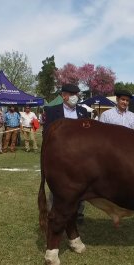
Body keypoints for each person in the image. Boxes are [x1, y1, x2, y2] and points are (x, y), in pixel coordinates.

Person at [44, 83, 89, 223]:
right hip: (60, 157)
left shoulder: (83, 112)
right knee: (57, 186)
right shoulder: (51, 111)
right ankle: (53, 212)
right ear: (64, 96)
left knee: (81, 186)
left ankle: (78, 213)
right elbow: (47, 133)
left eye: (77, 94)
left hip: (80, 156)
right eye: (72, 94)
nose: (76, 97)